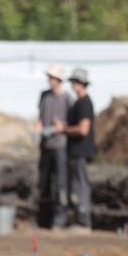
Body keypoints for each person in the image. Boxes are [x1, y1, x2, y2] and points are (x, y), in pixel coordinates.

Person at [33, 64, 72, 230]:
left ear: (59, 79)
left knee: (61, 183)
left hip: (60, 146)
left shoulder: (68, 99)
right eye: (49, 77)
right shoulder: (44, 96)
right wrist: (37, 129)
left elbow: (70, 124)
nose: (50, 80)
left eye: (53, 77)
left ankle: (59, 218)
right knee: (44, 183)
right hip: (46, 145)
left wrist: (59, 128)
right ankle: (43, 218)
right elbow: (40, 118)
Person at [56, 68, 95, 232]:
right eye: (73, 81)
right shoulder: (77, 102)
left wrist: (64, 130)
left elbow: (83, 129)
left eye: (76, 82)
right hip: (73, 151)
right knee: (76, 186)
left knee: (81, 186)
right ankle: (79, 219)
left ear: (83, 84)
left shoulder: (85, 103)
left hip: (81, 151)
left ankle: (84, 222)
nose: (73, 84)